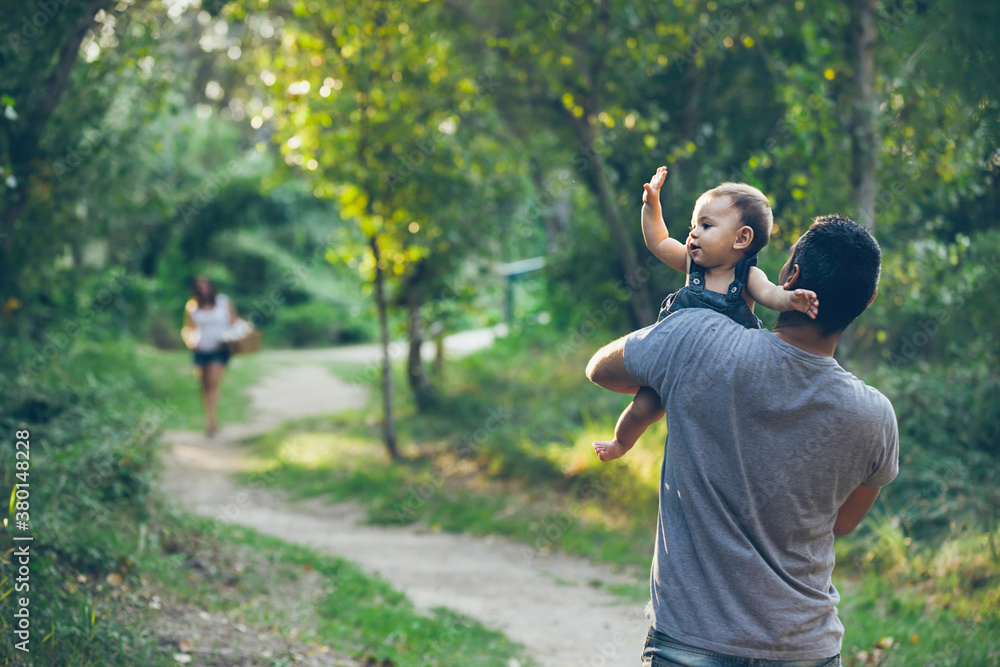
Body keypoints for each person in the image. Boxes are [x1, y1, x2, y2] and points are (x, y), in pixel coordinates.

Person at [585, 214, 898, 666]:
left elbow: (600, 369)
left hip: (691, 640)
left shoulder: (695, 336)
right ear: (867, 301)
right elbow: (842, 523)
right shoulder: (875, 416)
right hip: (804, 648)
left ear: (789, 276)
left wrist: (675, 375)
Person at [593, 167, 819, 462]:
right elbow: (658, 241)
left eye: (706, 225)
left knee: (727, 420)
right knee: (643, 408)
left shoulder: (748, 276)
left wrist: (791, 299)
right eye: (693, 225)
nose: (694, 233)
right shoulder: (692, 263)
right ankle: (620, 443)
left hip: (723, 369)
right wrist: (651, 205)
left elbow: (771, 295)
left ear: (742, 238)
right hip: (675, 360)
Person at [182, 276, 238, 437]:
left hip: (219, 349)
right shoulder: (192, 306)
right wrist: (190, 342)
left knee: (213, 384)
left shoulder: (223, 302)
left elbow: (234, 321)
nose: (203, 289)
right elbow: (188, 329)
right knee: (204, 386)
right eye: (200, 286)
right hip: (200, 350)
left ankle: (211, 422)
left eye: (205, 285)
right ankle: (210, 418)